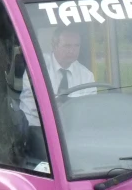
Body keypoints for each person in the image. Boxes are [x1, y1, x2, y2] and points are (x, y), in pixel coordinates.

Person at [18, 27, 96, 159]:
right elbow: (31, 106)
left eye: (76, 46)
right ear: (54, 45)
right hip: (38, 131)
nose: (72, 50)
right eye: (67, 46)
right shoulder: (37, 68)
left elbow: (89, 112)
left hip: (73, 134)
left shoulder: (87, 76)